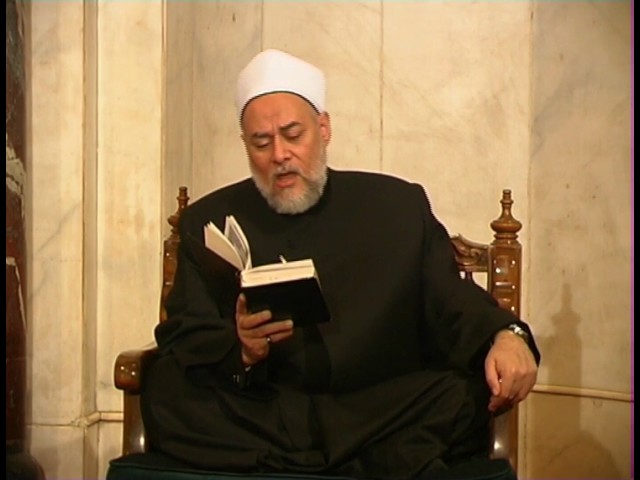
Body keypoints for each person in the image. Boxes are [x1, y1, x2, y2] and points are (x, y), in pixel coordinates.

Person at [140, 49, 540, 480]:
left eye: (293, 135)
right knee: (166, 392)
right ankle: (375, 459)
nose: (279, 154)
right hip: (271, 409)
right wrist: (241, 349)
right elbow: (185, 336)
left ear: (324, 128)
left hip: (378, 405)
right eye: (261, 142)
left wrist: (508, 335)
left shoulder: (397, 206)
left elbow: (453, 302)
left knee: (462, 392)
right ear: (246, 146)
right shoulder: (209, 221)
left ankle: (306, 463)